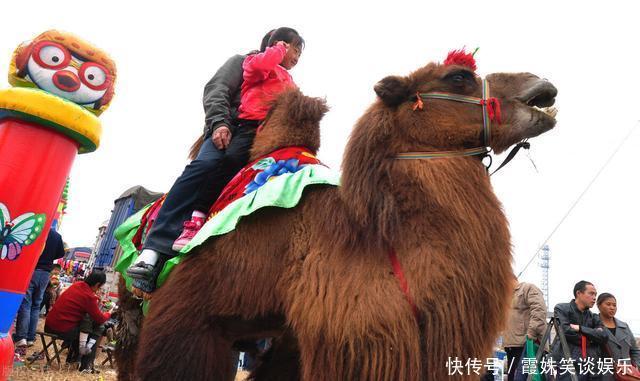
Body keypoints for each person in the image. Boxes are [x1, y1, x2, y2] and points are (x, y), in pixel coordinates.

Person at [127, 27, 304, 290]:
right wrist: (220, 123)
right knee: (206, 165)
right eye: (295, 48)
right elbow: (217, 89)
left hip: (267, 140)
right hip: (233, 129)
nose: (298, 56)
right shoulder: (244, 63)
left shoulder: (285, 80)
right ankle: (153, 251)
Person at [45, 271, 112, 372]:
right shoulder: (89, 297)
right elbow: (100, 318)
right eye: (100, 287)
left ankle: (73, 360)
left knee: (85, 325)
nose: (99, 289)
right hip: (62, 329)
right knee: (93, 329)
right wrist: (110, 312)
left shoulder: (76, 285)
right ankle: (86, 366)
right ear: (97, 284)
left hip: (49, 325)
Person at [13, 229, 66, 348]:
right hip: (46, 273)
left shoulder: (37, 228)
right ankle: (31, 337)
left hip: (32, 269)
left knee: (26, 304)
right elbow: (61, 253)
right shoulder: (56, 235)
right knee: (36, 305)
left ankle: (21, 337)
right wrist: (49, 255)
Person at [552, 280, 608, 380]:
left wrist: (580, 328)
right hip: (567, 363)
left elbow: (604, 336)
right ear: (579, 293)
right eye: (591, 293)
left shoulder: (593, 316)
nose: (594, 298)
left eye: (595, 294)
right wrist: (592, 338)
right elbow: (565, 332)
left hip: (591, 366)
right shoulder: (562, 308)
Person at [503, 279, 548, 381]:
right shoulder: (507, 297)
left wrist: (531, 334)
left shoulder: (527, 288)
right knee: (514, 377)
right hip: (512, 346)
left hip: (527, 345)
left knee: (530, 377)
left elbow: (539, 310)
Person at [596, 293, 640, 380]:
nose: (612, 307)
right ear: (599, 305)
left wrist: (635, 366)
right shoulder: (593, 326)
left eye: (614, 305)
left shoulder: (624, 326)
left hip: (627, 375)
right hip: (604, 375)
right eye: (608, 304)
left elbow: (634, 350)